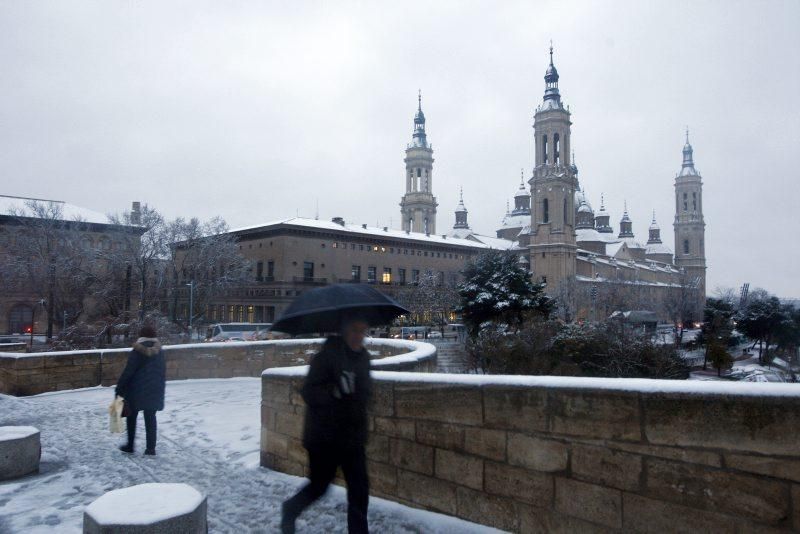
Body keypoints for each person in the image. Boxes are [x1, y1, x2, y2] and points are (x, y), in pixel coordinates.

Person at [281, 317, 372, 534]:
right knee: (319, 486)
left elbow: (366, 392)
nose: (359, 335)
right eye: (354, 330)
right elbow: (309, 392)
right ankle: (291, 509)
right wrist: (334, 391)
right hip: (325, 437)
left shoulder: (364, 358)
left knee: (360, 491)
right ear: (344, 332)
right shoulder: (325, 357)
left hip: (352, 436)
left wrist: (357, 394)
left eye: (362, 330)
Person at [115, 325, 166, 456]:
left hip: (136, 390)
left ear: (141, 336)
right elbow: (162, 372)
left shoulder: (137, 351)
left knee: (131, 417)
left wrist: (120, 388)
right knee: (150, 417)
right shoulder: (160, 351)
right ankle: (150, 448)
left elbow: (128, 371)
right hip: (155, 389)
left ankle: (130, 446)